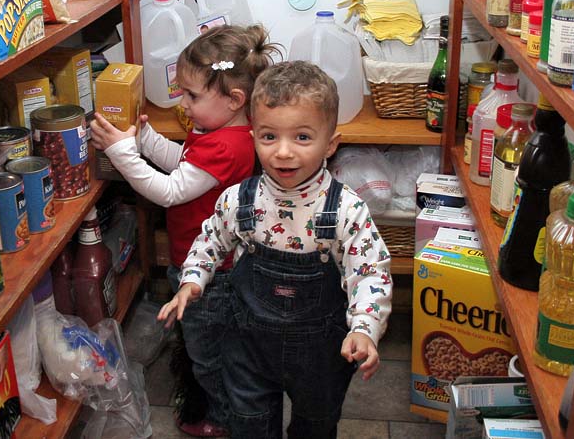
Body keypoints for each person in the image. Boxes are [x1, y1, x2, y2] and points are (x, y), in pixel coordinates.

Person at [159, 61, 393, 438]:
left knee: (315, 426)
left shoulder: (346, 210)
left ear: (330, 144)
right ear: (254, 136)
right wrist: (192, 280)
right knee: (249, 423)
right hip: (249, 349)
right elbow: (210, 240)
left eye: (302, 137)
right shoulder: (240, 199)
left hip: (321, 357)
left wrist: (365, 328)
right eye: (269, 136)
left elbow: (370, 273)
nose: (283, 152)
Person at [91, 24, 283, 437]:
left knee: (208, 354)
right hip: (201, 262)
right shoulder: (220, 131)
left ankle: (224, 418)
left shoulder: (227, 146)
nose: (183, 103)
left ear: (235, 100)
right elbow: (186, 161)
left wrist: (121, 153)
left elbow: (170, 190)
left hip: (211, 274)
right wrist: (145, 140)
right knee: (208, 344)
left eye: (192, 96)